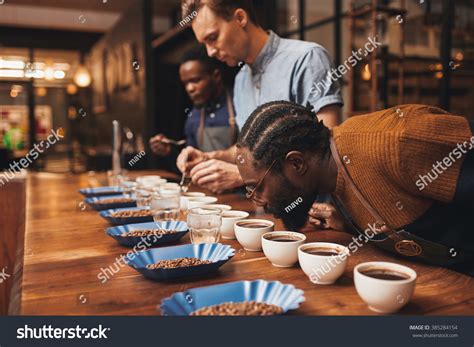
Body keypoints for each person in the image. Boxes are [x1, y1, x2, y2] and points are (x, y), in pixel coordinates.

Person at [235, 100, 474, 273]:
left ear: (296, 163)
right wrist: (353, 226)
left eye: (258, 187)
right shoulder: (329, 175)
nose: (258, 201)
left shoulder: (398, 140)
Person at [176, 0, 343, 193]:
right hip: (261, 212)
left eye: (213, 37)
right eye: (204, 43)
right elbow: (247, 151)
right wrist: (211, 157)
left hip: (311, 213)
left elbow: (327, 154)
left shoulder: (307, 59)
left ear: (240, 18)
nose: (210, 52)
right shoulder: (240, 80)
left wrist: (245, 176)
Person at [149, 46, 237, 158]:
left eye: (195, 80)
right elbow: (192, 162)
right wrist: (169, 151)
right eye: (185, 83)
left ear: (216, 76)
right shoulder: (194, 117)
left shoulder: (240, 104)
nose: (190, 88)